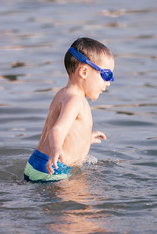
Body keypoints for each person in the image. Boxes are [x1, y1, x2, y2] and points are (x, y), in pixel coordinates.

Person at [24, 37, 115, 182]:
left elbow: (64, 130)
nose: (108, 83)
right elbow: (57, 130)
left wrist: (85, 139)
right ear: (84, 72)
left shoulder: (62, 94)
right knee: (84, 202)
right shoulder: (76, 100)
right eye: (106, 75)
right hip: (54, 167)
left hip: (37, 163)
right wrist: (56, 151)